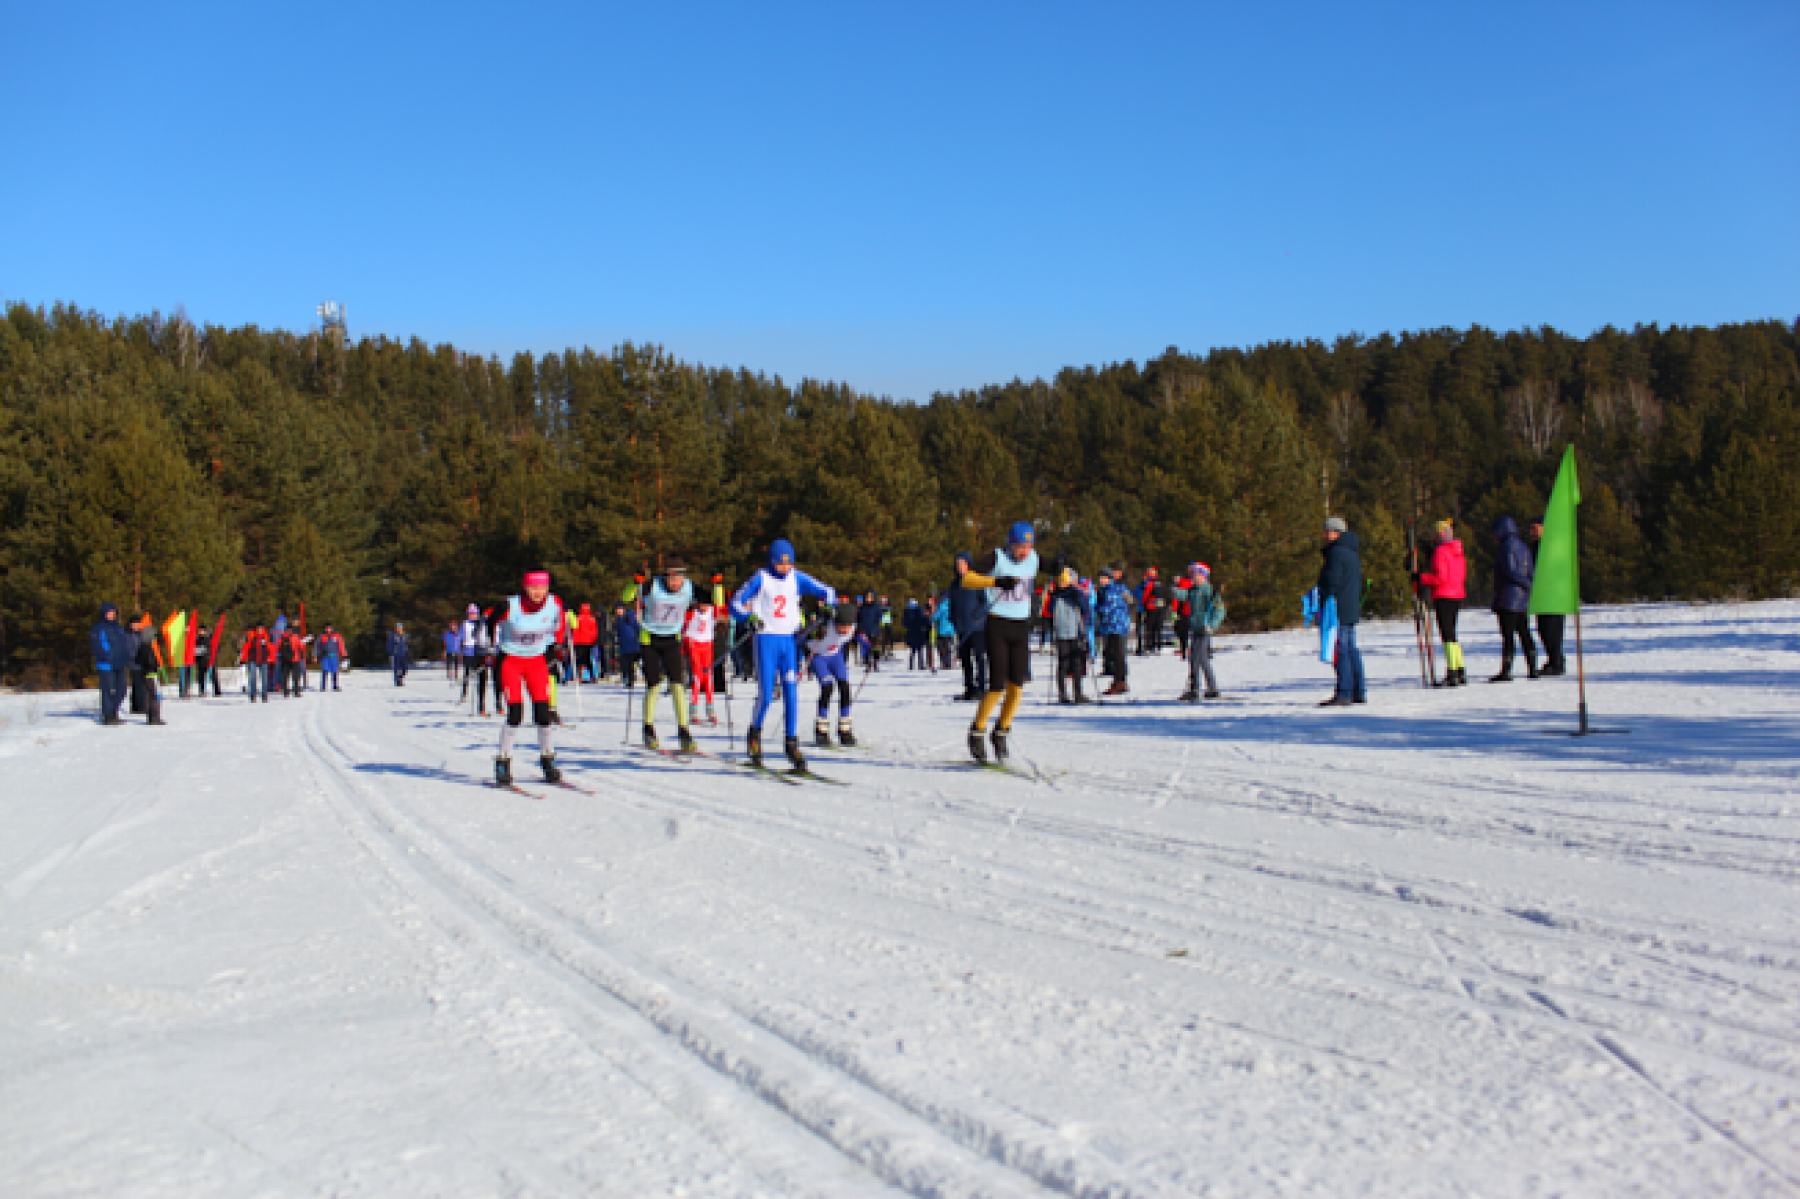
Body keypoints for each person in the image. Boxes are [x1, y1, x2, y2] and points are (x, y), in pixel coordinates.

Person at [730, 539, 837, 769]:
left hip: (789, 642)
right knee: (767, 695)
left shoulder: (796, 577)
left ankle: (791, 744)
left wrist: (828, 605)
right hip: (766, 640)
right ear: (772, 561)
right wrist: (748, 617)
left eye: (789, 564)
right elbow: (735, 603)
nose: (785, 568)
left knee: (791, 693)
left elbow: (827, 590)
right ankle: (754, 735)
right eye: (780, 564)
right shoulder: (761, 577)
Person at [959, 521, 1041, 763]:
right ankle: (977, 731)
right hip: (997, 626)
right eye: (1019, 546)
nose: (1024, 551)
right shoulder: (997, 559)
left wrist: (1062, 571)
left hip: (1021, 628)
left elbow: (1061, 573)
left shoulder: (1033, 558)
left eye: (1027, 545)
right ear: (1010, 545)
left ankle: (1001, 732)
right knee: (997, 686)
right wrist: (995, 581)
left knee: (1017, 687)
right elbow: (967, 579)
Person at [491, 568, 568, 785]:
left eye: (542, 587)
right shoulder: (510, 605)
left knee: (544, 713)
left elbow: (557, 625)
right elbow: (488, 624)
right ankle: (503, 761)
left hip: (536, 662)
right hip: (511, 662)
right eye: (533, 587)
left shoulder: (554, 603)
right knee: (515, 713)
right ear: (525, 587)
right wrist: (488, 648)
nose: (538, 592)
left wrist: (556, 647)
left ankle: (548, 759)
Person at [624, 557, 697, 751]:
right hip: (650, 640)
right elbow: (626, 598)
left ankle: (684, 730)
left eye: (678, 579)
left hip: (672, 639)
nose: (675, 583)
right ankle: (648, 728)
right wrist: (635, 582)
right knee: (654, 685)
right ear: (664, 577)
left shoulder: (688, 587)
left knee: (677, 685)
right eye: (671, 579)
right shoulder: (651, 586)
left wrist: (718, 585)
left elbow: (716, 601)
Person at [1317, 517, 1366, 706]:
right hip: (1350, 606)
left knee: (1341, 650)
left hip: (1338, 607)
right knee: (1351, 648)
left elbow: (1332, 581)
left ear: (1337, 532)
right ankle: (1358, 690)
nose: (1324, 535)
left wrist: (1321, 596)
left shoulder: (1336, 553)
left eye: (1327, 531)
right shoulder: (1351, 551)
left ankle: (1345, 692)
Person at [807, 600, 864, 747]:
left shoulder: (852, 627)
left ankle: (844, 731)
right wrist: (813, 634)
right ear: (835, 622)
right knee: (827, 687)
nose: (845, 630)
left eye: (848, 626)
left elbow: (863, 638)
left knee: (845, 689)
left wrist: (873, 650)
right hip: (818, 657)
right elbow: (802, 636)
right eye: (842, 626)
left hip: (835, 656)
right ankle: (821, 731)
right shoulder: (825, 626)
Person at [1418, 519, 1468, 686]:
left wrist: (1422, 578)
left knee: (1447, 634)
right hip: (1456, 594)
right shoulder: (1457, 551)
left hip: (1444, 595)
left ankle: (1452, 672)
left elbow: (1440, 578)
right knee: (1452, 633)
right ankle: (1459, 669)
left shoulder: (1441, 551)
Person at [1490, 516, 1538, 681]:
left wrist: (1521, 583)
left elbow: (1510, 570)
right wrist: (1529, 585)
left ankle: (1507, 670)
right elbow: (1530, 570)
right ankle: (1533, 667)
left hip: (1508, 597)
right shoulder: (1524, 547)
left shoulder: (1506, 547)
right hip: (1523, 598)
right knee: (1525, 632)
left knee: (1508, 634)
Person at [1525, 516, 1567, 675]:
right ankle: (1553, 659)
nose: (1533, 532)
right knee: (1543, 628)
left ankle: (1557, 662)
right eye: (1531, 529)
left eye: (1536, 528)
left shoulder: (1551, 546)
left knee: (1553, 629)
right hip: (1541, 595)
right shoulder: (1534, 547)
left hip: (1554, 594)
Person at [1178, 563, 1225, 701]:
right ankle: (1212, 688)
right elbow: (1184, 594)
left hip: (1204, 629)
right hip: (1196, 628)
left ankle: (1195, 689)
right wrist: (1173, 591)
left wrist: (1212, 625)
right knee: (1202, 659)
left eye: (1198, 576)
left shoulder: (1210, 591)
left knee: (1195, 658)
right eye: (1193, 576)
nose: (1195, 578)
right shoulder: (1193, 590)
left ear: (1205, 577)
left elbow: (1220, 610)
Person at [1050, 566, 1093, 704]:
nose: (1062, 584)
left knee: (1077, 663)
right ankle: (1062, 694)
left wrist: (1079, 596)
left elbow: (1086, 609)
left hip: (1075, 632)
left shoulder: (1076, 593)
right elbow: (1050, 610)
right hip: (1061, 633)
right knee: (1063, 663)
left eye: (1064, 581)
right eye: (1060, 581)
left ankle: (1078, 693)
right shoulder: (1056, 595)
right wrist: (1053, 595)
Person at [89, 603, 133, 724]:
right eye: (109, 612)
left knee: (122, 689)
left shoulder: (118, 627)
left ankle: (113, 711)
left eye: (113, 612)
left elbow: (124, 644)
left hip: (120, 663)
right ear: (104, 613)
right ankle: (108, 716)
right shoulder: (98, 628)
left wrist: (126, 656)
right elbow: (95, 646)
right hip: (106, 664)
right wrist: (106, 656)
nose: (112, 614)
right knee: (107, 690)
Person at [1092, 566, 1133, 695]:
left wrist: (1093, 607)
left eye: (1105, 578)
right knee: (1115, 655)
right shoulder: (1107, 589)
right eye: (1101, 578)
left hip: (1116, 626)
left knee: (1118, 656)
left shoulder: (1112, 590)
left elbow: (1107, 608)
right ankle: (1119, 681)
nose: (1102, 580)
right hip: (1113, 626)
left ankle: (1120, 682)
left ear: (1110, 578)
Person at [128, 613, 167, 726]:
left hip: (146, 673)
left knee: (148, 694)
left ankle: (151, 715)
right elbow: (147, 662)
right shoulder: (146, 648)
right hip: (150, 674)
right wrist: (153, 667)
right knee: (154, 695)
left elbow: (138, 659)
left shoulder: (144, 647)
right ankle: (154, 716)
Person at [1137, 567, 1167, 655]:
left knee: (1150, 628)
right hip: (1160, 608)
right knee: (1158, 628)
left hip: (1151, 607)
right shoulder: (1160, 583)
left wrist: (1143, 603)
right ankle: (1158, 646)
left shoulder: (1150, 584)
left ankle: (1149, 646)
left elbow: (1145, 595)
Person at [240, 622, 272, 703]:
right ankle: (253, 695)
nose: (260, 630)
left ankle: (264, 694)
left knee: (264, 679)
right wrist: (243, 658)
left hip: (264, 660)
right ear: (256, 629)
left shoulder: (266, 637)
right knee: (252, 678)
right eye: (258, 628)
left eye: (261, 628)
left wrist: (272, 657)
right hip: (253, 659)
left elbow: (270, 647)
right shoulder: (252, 637)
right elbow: (246, 647)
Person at [613, 603, 642, 689]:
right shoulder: (618, 620)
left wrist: (638, 639)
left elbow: (638, 628)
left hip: (633, 644)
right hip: (624, 645)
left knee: (633, 663)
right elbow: (619, 633)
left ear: (623, 609)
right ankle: (630, 680)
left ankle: (634, 679)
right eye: (616, 609)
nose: (618, 611)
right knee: (627, 664)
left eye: (619, 609)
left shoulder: (629, 616)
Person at [572, 602, 600, 682]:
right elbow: (594, 631)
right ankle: (592, 676)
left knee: (580, 660)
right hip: (588, 642)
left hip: (580, 642)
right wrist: (593, 640)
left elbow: (575, 630)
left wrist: (574, 641)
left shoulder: (578, 618)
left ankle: (581, 676)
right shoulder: (592, 619)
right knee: (588, 659)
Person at [316, 624, 347, 691]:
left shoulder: (337, 636)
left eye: (329, 628)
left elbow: (341, 645)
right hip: (325, 656)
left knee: (335, 671)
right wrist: (315, 655)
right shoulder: (322, 636)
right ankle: (323, 687)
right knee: (324, 671)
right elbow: (317, 646)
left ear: (332, 629)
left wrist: (344, 655)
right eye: (326, 628)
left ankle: (335, 686)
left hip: (334, 657)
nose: (328, 629)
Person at [903, 599, 930, 669]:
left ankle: (914, 665)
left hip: (915, 633)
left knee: (915, 650)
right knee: (917, 650)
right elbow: (924, 621)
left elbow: (905, 623)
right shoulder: (916, 612)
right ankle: (918, 665)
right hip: (917, 632)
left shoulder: (909, 612)